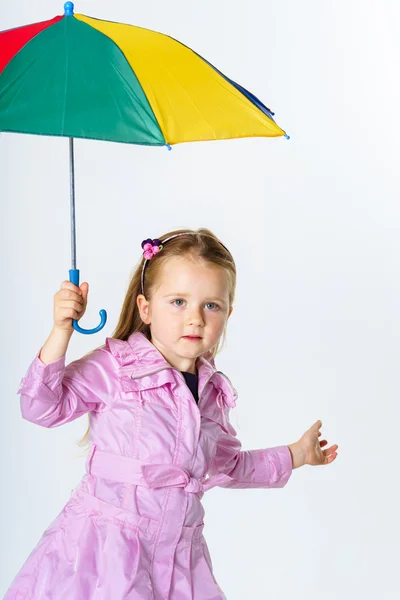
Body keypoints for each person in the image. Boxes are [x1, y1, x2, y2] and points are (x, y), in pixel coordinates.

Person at [5, 228, 338, 600]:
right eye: (178, 301)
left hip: (180, 557)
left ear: (228, 313)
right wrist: (61, 331)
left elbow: (227, 466)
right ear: (146, 308)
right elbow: (41, 407)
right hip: (106, 553)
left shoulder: (212, 391)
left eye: (211, 305)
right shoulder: (117, 368)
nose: (194, 318)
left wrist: (296, 454)